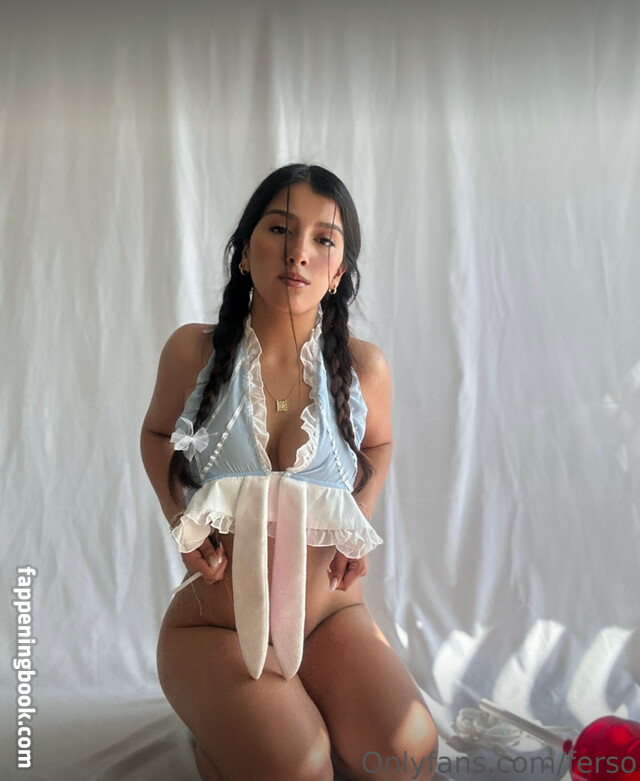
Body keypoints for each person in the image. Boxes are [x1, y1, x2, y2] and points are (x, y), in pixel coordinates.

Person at [140, 163, 438, 781]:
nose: (297, 252)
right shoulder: (194, 352)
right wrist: (182, 523)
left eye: (323, 239)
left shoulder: (364, 368)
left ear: (338, 271)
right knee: (299, 768)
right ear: (244, 251)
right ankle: (227, 733)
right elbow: (156, 435)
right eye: (279, 229)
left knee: (409, 757)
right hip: (216, 628)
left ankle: (283, 717)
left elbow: (380, 444)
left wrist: (358, 522)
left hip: (330, 620)